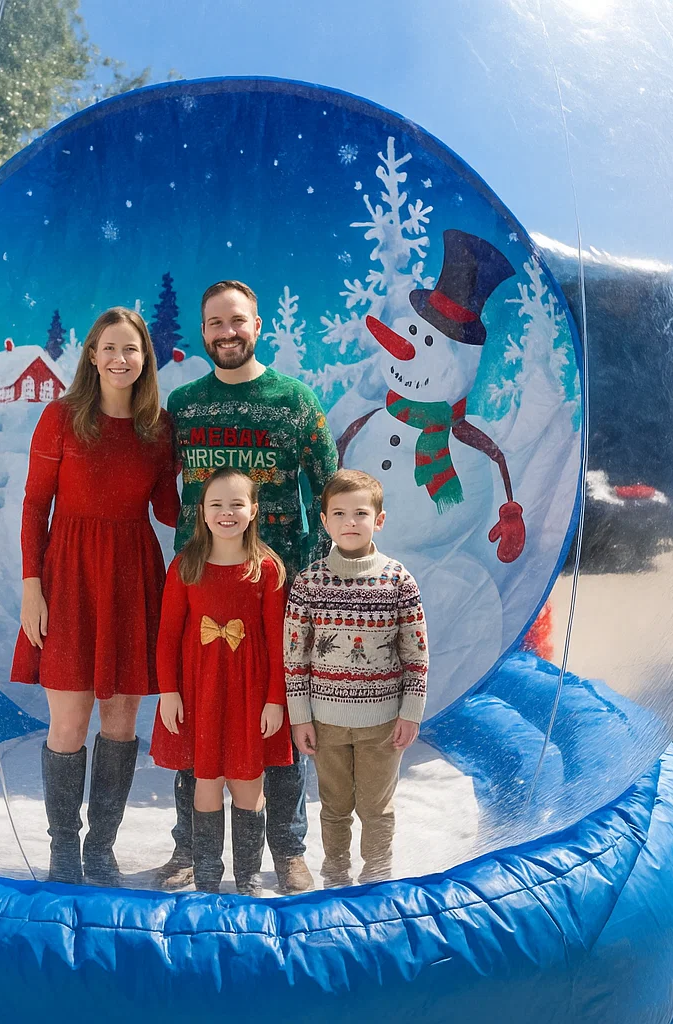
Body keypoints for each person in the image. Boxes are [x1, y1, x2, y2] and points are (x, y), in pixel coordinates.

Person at [156, 279, 338, 894]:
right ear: (202, 332)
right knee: (198, 717)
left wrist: (320, 567)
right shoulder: (182, 408)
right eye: (213, 323)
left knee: (278, 719)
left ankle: (286, 850)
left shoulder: (294, 401)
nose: (226, 333)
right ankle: (189, 849)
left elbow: (332, 485)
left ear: (258, 326)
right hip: (202, 590)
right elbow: (156, 486)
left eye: (237, 321)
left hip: (277, 592)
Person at [10, 307, 180, 886]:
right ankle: (63, 849)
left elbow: (166, 508)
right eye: (109, 348)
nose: (120, 359)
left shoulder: (158, 428)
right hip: (69, 574)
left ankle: (100, 847)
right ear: (91, 354)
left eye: (131, 350)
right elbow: (36, 506)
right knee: (68, 723)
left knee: (121, 719)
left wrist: (226, 496)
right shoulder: (60, 419)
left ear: (145, 359)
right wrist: (32, 586)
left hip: (134, 576)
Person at [150, 467, 291, 896]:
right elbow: (168, 636)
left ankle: (247, 877)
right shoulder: (186, 565)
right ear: (203, 512)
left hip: (250, 692)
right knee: (205, 780)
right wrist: (169, 692)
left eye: (236, 504)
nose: (226, 512)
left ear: (253, 511)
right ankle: (207, 875)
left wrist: (275, 701)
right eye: (216, 504)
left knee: (249, 782)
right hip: (200, 690)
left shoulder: (266, 569)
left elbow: (276, 642)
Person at [285, 469, 428, 886]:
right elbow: (294, 655)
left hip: (382, 723)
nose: (351, 522)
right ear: (325, 521)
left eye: (361, 513)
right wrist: (300, 716)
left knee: (376, 807)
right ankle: (335, 873)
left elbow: (416, 652)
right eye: (340, 513)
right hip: (325, 722)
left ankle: (378, 874)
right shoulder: (309, 582)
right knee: (333, 805)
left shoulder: (398, 580)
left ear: (378, 520)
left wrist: (411, 711)